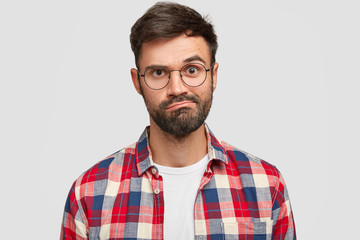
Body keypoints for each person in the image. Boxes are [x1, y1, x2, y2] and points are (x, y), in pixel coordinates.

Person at [61, 2, 296, 239]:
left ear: (213, 76)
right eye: (158, 73)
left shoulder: (266, 186)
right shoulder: (89, 194)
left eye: (191, 70)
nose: (177, 88)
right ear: (137, 82)